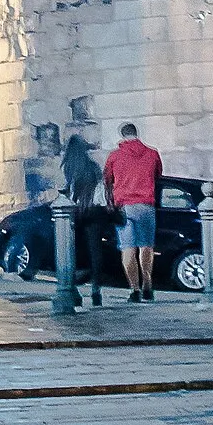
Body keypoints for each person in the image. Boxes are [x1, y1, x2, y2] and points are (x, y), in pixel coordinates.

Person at [104, 120, 164, 301]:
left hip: (125, 207)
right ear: (137, 134)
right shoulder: (152, 154)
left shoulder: (115, 157)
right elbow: (158, 175)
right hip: (146, 205)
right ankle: (148, 286)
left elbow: (107, 180)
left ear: (122, 136)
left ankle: (134, 290)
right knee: (146, 247)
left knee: (127, 249)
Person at [60, 128, 106, 303]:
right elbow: (100, 189)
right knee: (95, 250)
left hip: (75, 213)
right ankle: (96, 289)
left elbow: (67, 190)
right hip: (94, 211)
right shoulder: (92, 167)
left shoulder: (69, 167)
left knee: (71, 249)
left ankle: (72, 288)